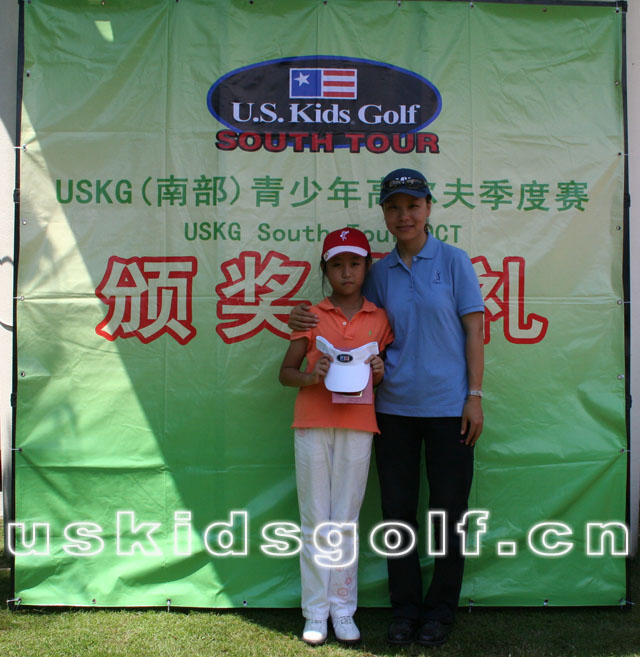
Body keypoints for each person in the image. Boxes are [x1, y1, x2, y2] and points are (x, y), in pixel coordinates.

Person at [288, 168, 485, 647]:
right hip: (392, 409)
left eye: (413, 206)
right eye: (394, 207)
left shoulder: (454, 262)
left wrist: (474, 396)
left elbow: (475, 331)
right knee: (398, 514)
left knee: (448, 513)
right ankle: (405, 610)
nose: (404, 215)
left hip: (449, 408)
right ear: (384, 213)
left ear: (428, 208)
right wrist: (302, 317)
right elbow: (351, 321)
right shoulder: (376, 273)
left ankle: (440, 611)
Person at [279, 227, 393, 646]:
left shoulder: (379, 319)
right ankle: (315, 613)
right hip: (312, 423)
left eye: (355, 264)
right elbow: (285, 373)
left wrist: (380, 373)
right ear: (325, 270)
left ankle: (343, 609)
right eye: (337, 265)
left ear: (367, 267)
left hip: (359, 426)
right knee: (315, 518)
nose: (347, 272)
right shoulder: (311, 316)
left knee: (345, 519)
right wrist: (312, 376)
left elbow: (379, 375)